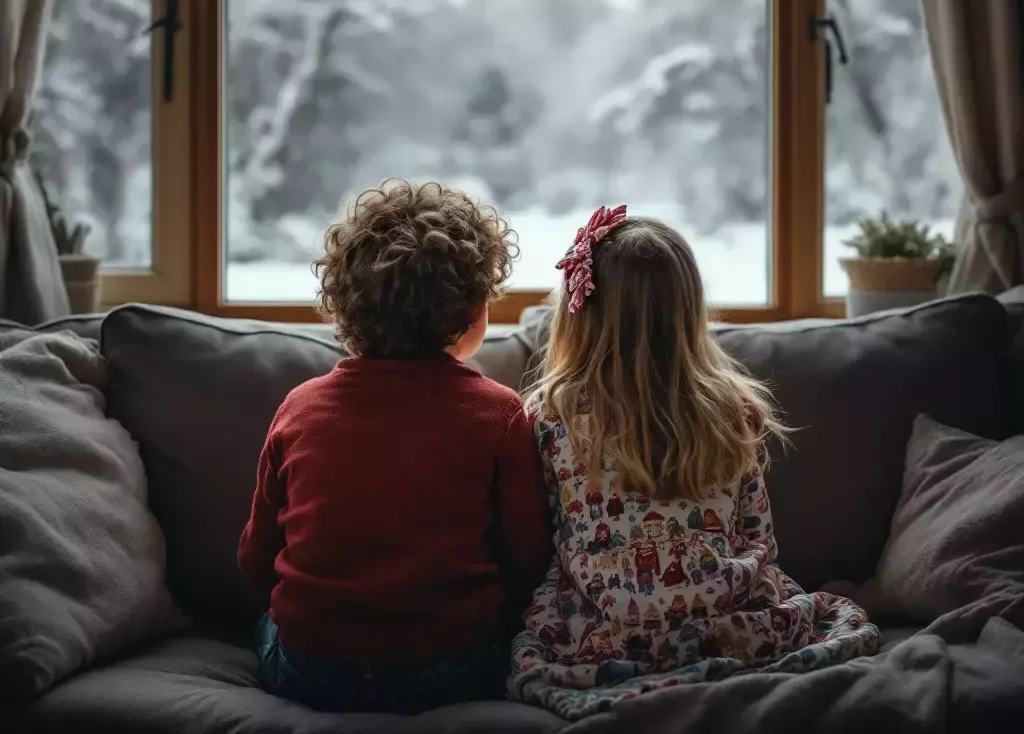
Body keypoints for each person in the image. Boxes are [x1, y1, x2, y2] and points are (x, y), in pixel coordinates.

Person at [509, 206, 878, 720]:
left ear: (579, 311)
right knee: (831, 614)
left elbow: (550, 533)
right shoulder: (734, 409)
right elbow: (759, 538)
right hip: (730, 628)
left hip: (606, 639)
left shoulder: (551, 414)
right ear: (688, 311)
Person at [238, 180, 552, 714]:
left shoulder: (299, 407)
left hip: (310, 669)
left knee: (265, 624)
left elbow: (255, 560)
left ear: (343, 304)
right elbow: (527, 561)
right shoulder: (500, 415)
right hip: (449, 668)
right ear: (472, 311)